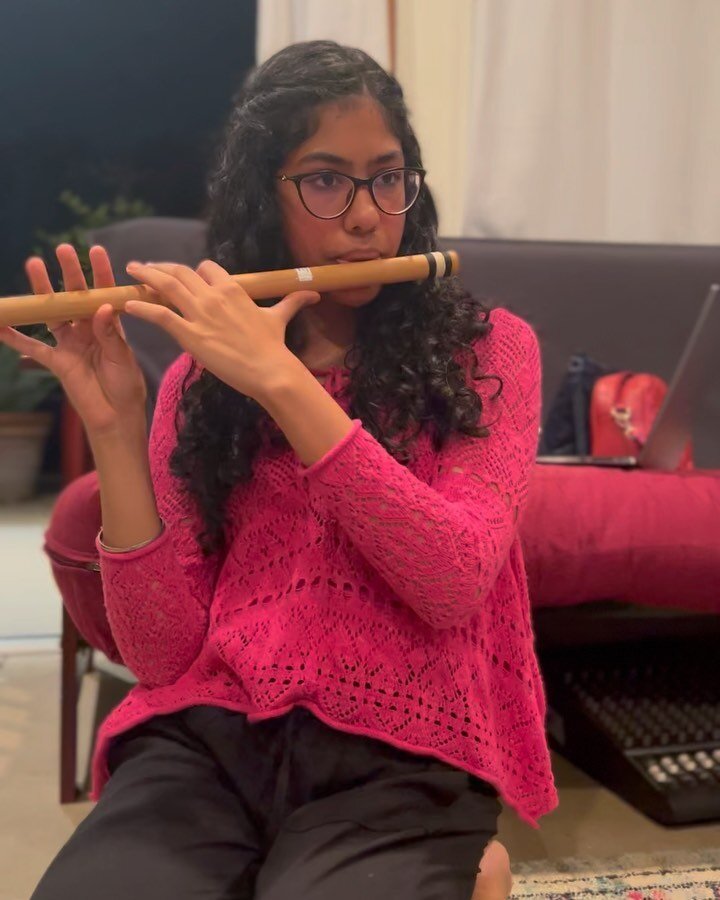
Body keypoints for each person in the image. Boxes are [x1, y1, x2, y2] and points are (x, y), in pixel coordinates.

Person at [1, 40, 556, 900]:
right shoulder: (198, 380)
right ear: (267, 195)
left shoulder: (490, 351)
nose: (369, 216)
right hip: (212, 741)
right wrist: (114, 429)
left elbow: (451, 578)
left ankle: (467, 865)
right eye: (327, 181)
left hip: (399, 753)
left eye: (388, 177)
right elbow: (160, 654)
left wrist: (284, 384)